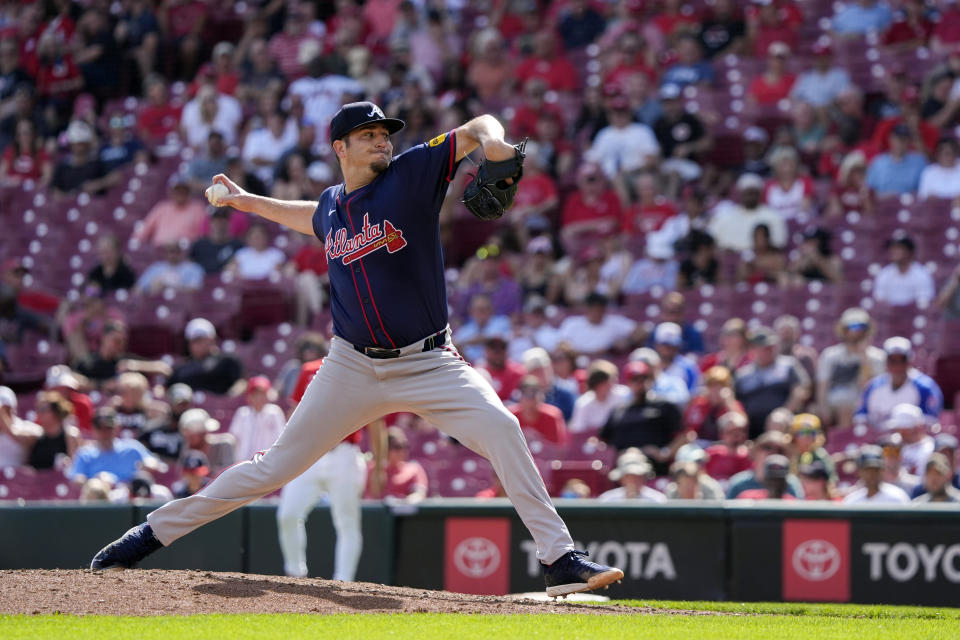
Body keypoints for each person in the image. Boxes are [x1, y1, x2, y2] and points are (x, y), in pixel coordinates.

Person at [90, 101, 623, 596]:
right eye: (367, 135)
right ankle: (148, 535)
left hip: (428, 360)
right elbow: (311, 217)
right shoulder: (333, 206)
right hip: (349, 364)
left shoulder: (411, 176)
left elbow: (478, 127)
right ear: (339, 147)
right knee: (272, 468)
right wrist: (244, 201)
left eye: (384, 134)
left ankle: (560, 558)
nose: (381, 142)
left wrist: (498, 148)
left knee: (503, 429)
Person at [277, 357, 386, 581]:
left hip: (344, 453)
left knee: (347, 521)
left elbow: (376, 423)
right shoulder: (310, 369)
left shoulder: (364, 371)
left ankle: (344, 581)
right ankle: (295, 575)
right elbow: (295, 414)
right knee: (287, 514)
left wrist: (378, 466)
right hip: (310, 452)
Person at [600, 361, 684, 475]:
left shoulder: (664, 406)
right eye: (635, 380)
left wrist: (665, 453)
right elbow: (603, 441)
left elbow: (685, 435)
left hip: (655, 467)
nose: (640, 383)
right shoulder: (619, 411)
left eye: (644, 379)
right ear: (628, 383)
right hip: (623, 467)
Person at [734, 327, 811, 438]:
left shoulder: (788, 365)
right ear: (754, 349)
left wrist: (785, 410)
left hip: (781, 417)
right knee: (733, 421)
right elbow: (735, 398)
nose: (770, 350)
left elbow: (801, 390)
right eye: (765, 347)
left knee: (777, 419)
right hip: (751, 420)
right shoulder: (743, 374)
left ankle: (774, 451)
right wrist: (741, 416)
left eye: (772, 346)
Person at [817, 308, 887, 428]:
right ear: (844, 330)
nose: (857, 331)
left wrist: (864, 358)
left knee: (847, 409)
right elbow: (822, 386)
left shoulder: (878, 357)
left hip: (863, 404)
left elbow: (872, 388)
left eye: (861, 326)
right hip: (833, 402)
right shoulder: (830, 355)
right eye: (852, 326)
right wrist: (823, 408)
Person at [855, 337, 943, 428]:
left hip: (909, 438)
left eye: (902, 360)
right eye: (892, 361)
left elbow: (930, 421)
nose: (897, 365)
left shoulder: (925, 387)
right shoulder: (873, 386)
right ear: (886, 362)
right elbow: (861, 417)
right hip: (877, 439)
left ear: (910, 361)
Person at [69, 407, 162, 485]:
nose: (105, 433)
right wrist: (95, 482)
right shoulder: (85, 454)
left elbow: (154, 462)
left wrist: (150, 463)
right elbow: (76, 478)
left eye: (108, 428)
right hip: (100, 500)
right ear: (93, 429)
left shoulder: (132, 448)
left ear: (116, 428)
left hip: (130, 498)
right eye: (100, 428)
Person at [708, 173, 788, 252]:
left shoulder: (773, 216)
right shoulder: (726, 215)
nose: (750, 197)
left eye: (753, 193)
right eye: (747, 193)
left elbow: (779, 243)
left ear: (759, 194)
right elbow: (712, 239)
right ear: (740, 194)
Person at [167, 318, 244, 395]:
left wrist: (231, 397)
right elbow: (166, 390)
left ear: (212, 339)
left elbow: (241, 383)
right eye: (192, 341)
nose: (196, 345)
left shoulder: (228, 361)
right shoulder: (180, 369)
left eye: (199, 340)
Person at [133, 175, 209, 247]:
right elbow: (144, 230)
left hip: (186, 251)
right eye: (177, 190)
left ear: (188, 191)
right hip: (160, 250)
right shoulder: (162, 207)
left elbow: (204, 233)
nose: (180, 193)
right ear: (171, 192)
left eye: (183, 190)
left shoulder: (198, 208)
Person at [727, 430, 804, 498]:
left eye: (780, 450)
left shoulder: (792, 484)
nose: (773, 452)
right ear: (754, 452)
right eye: (767, 447)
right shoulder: (739, 483)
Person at [556, 293, 638, 357]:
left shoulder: (615, 322)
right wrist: (581, 353)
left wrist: (628, 341)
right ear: (587, 309)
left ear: (604, 310)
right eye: (593, 309)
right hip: (577, 361)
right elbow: (561, 345)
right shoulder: (572, 323)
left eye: (600, 309)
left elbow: (642, 330)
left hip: (605, 362)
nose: (596, 313)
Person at [228, 377, 286, 462]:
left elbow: (281, 438)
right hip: (243, 463)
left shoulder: (274, 412)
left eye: (262, 394)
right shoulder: (242, 413)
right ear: (249, 396)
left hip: (267, 462)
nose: (259, 397)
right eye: (255, 394)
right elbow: (234, 439)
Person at [568, 360, 632, 434]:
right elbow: (578, 431)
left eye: (610, 382)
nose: (608, 386)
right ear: (595, 385)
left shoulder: (624, 395)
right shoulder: (583, 403)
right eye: (602, 383)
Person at [872, 233, 936, 307]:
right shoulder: (885, 274)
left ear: (909, 252)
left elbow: (924, 303)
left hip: (913, 315)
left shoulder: (922, 275)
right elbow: (879, 301)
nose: (893, 251)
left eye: (898, 248)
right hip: (889, 316)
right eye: (892, 248)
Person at [684, 366, 744, 443]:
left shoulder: (732, 405)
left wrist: (728, 402)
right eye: (712, 387)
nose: (715, 391)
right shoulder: (700, 404)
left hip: (726, 446)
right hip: (701, 446)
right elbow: (689, 430)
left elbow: (742, 426)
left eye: (719, 387)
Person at [865, 124, 928, 195]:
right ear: (890, 139)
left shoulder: (919, 162)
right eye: (897, 139)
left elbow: (925, 190)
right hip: (883, 203)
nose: (900, 142)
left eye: (904, 139)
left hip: (910, 204)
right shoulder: (878, 163)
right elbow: (869, 191)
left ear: (909, 141)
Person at [26, 391, 81, 471]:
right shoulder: (35, 437)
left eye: (43, 409)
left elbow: (76, 469)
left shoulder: (70, 436)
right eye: (37, 409)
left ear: (56, 411)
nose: (39, 413)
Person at [510, 376, 568, 445]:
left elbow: (559, 447)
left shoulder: (552, 416)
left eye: (534, 395)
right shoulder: (511, 416)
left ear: (541, 397)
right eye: (526, 394)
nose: (530, 401)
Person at [521, 348, 577, 421]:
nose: (542, 372)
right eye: (536, 370)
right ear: (528, 373)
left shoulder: (566, 394)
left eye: (544, 367)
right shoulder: (520, 397)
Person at [842, 445, 911, 504]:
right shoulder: (852, 501)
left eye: (876, 470)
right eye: (867, 470)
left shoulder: (897, 497)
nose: (871, 474)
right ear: (860, 472)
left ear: (883, 470)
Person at [134, 241, 205, 296]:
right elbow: (137, 289)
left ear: (181, 252)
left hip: (181, 304)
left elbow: (196, 290)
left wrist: (167, 287)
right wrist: (151, 290)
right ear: (165, 253)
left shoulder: (193, 268)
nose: (173, 255)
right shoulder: (156, 268)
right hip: (154, 302)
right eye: (170, 251)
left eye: (176, 251)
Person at [597, 448, 668, 503]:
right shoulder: (607, 500)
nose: (634, 480)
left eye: (638, 476)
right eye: (629, 476)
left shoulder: (658, 501)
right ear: (622, 478)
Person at [189, 208, 244, 275]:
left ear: (229, 223)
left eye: (223, 220)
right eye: (216, 220)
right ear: (210, 222)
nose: (219, 223)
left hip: (227, 282)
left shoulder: (238, 246)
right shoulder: (199, 245)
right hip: (203, 282)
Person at [0, 386, 42, 469]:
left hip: (17, 479)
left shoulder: (26, 427)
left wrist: (2, 419)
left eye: (6, 409)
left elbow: (40, 435)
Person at [704, 412, 753, 483]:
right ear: (722, 434)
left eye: (740, 432)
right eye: (730, 432)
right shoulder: (710, 455)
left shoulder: (750, 457)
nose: (736, 436)